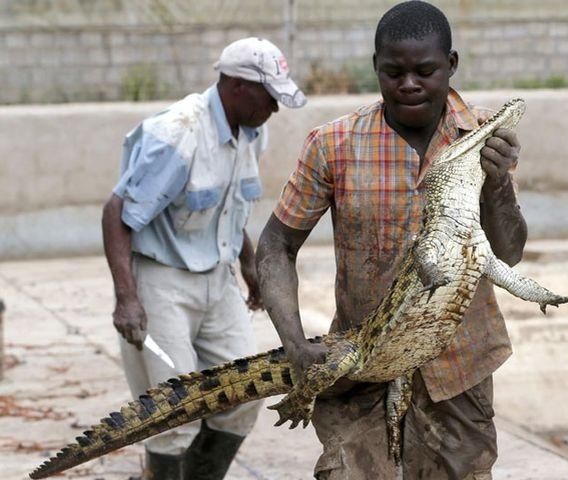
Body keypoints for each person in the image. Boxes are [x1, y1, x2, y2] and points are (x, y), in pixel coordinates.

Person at [256, 2, 527, 479]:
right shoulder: (333, 144)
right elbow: (277, 246)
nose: (409, 84)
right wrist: (294, 343)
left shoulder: (483, 137)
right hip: (364, 361)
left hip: (459, 367)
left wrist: (499, 185)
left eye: (425, 70)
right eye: (393, 72)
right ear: (375, 68)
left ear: (451, 65)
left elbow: (507, 254)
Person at [102, 37, 306, 480]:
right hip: (162, 283)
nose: (274, 108)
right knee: (172, 414)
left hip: (218, 279)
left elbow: (230, 206)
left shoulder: (253, 130)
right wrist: (126, 298)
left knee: (243, 395)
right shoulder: (177, 136)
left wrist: (249, 266)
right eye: (269, 97)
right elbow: (117, 213)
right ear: (236, 86)